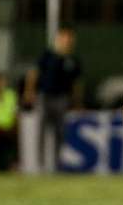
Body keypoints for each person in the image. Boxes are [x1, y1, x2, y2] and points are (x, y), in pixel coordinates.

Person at [23, 28, 82, 171]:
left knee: (60, 132)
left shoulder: (73, 60)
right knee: (42, 130)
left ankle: (57, 164)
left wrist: (77, 101)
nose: (66, 43)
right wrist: (29, 92)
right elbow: (33, 74)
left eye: (69, 40)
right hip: (45, 96)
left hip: (62, 98)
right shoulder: (47, 56)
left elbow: (76, 83)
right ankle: (40, 164)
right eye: (64, 39)